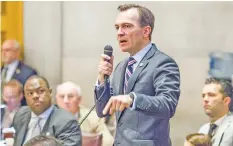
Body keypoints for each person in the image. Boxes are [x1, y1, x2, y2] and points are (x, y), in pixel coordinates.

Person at [94, 4, 180, 146]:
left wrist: (133, 99)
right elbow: (103, 111)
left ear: (146, 31)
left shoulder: (163, 63)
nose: (120, 33)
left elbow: (168, 105)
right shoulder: (121, 66)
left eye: (127, 26)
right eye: (117, 27)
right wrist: (102, 79)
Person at [12, 75, 82, 146]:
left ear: (50, 92)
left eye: (40, 91)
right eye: (30, 93)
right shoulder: (21, 114)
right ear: (25, 97)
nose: (35, 96)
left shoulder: (67, 122)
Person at [56, 81, 114, 146]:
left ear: (79, 99)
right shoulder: (49, 117)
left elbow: (108, 142)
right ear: (56, 99)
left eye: (70, 96)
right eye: (62, 96)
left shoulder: (93, 118)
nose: (66, 101)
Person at [1, 39, 37, 105]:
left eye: (7, 50)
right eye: (2, 50)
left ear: (17, 52)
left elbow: (32, 98)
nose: (3, 53)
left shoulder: (28, 73)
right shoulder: (2, 70)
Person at [199, 77, 233, 146]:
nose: (205, 99)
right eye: (203, 96)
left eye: (211, 95)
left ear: (226, 101)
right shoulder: (203, 129)